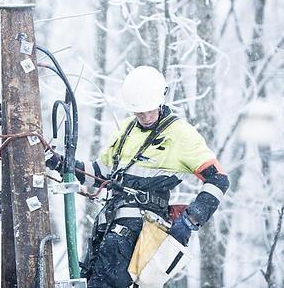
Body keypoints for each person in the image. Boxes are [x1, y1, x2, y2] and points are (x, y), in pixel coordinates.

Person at [46, 66, 230, 287]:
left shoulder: (180, 134)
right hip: (109, 224)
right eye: (138, 111)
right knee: (87, 280)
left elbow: (218, 178)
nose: (144, 116)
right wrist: (63, 164)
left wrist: (192, 218)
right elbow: (99, 175)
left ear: (161, 100)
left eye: (149, 110)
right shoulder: (126, 130)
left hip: (142, 229)